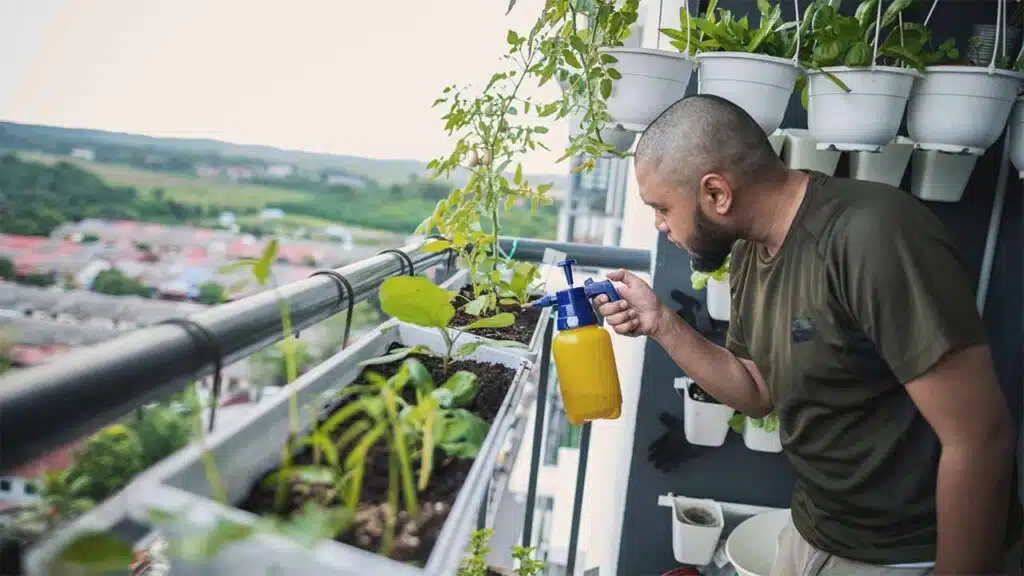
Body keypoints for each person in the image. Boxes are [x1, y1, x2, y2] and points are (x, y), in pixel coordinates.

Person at [594, 94, 1020, 576]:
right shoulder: (751, 254)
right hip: (811, 531)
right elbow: (756, 393)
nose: (659, 224)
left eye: (662, 207)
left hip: (901, 556)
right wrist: (662, 324)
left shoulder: (872, 236)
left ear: (716, 193)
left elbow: (981, 438)